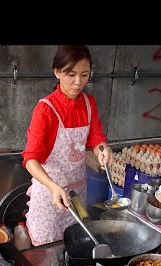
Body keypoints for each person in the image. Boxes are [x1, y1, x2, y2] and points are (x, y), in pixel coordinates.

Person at [22, 45, 113, 247]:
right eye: (71, 74)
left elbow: (96, 139)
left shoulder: (89, 103)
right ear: (57, 72)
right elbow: (30, 159)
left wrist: (103, 149)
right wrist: (54, 187)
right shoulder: (45, 109)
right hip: (50, 196)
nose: (78, 82)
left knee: (75, 245)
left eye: (84, 74)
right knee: (47, 255)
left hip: (78, 194)